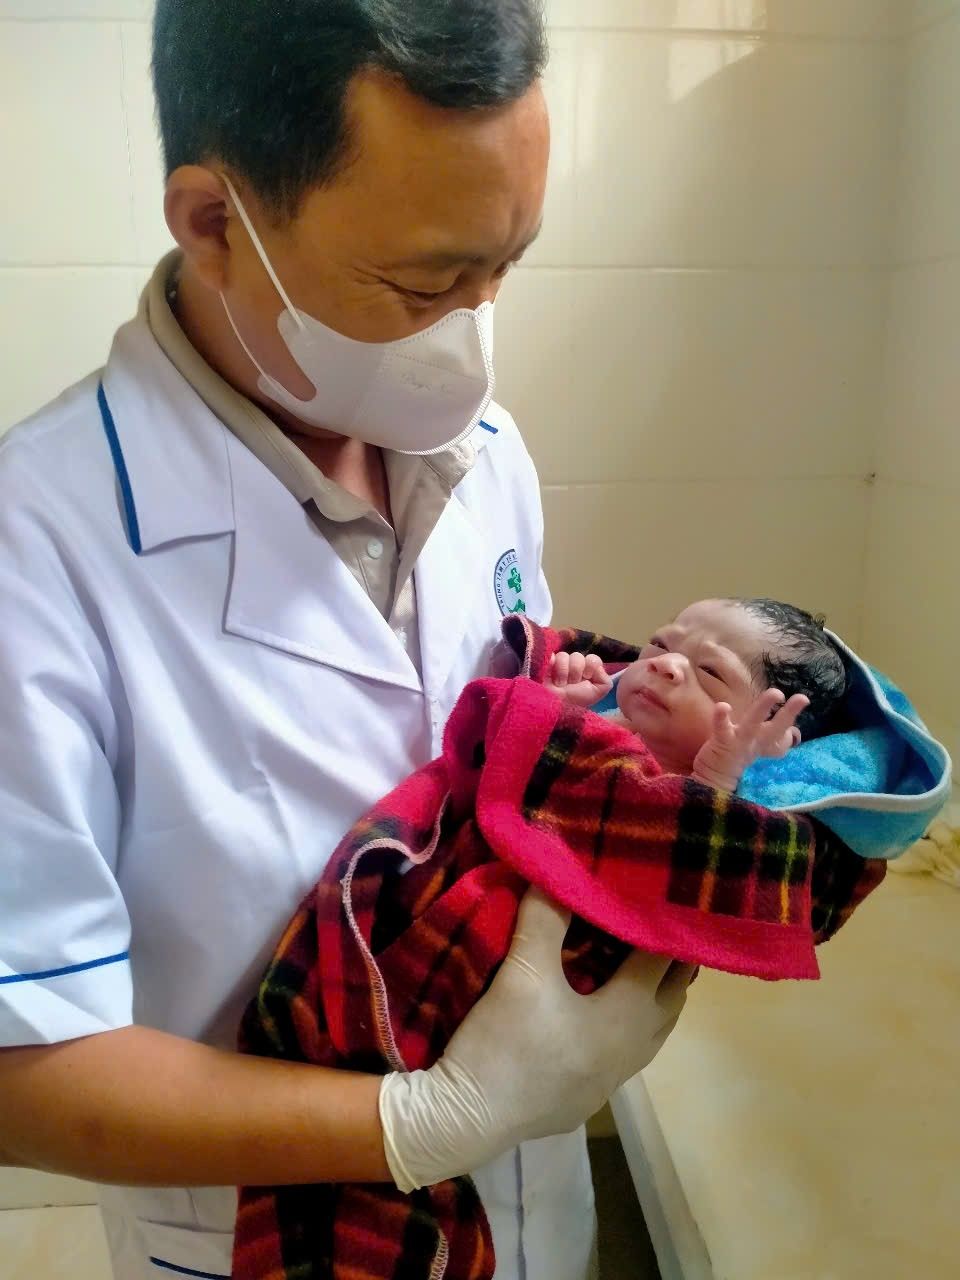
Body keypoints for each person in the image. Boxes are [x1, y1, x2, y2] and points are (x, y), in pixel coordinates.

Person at [0, 4, 693, 1278]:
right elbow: (20, 1067)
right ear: (215, 222)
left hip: (536, 1223)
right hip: (267, 1241)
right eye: (425, 284)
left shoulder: (485, 457)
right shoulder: (33, 549)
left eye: (504, 267)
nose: (472, 327)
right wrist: (427, 1120)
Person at [546, 597, 847, 793]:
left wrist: (715, 777)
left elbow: (679, 841)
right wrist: (558, 707)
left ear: (775, 738)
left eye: (710, 671)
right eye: (661, 644)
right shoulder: (608, 723)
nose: (665, 663)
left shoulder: (735, 794)